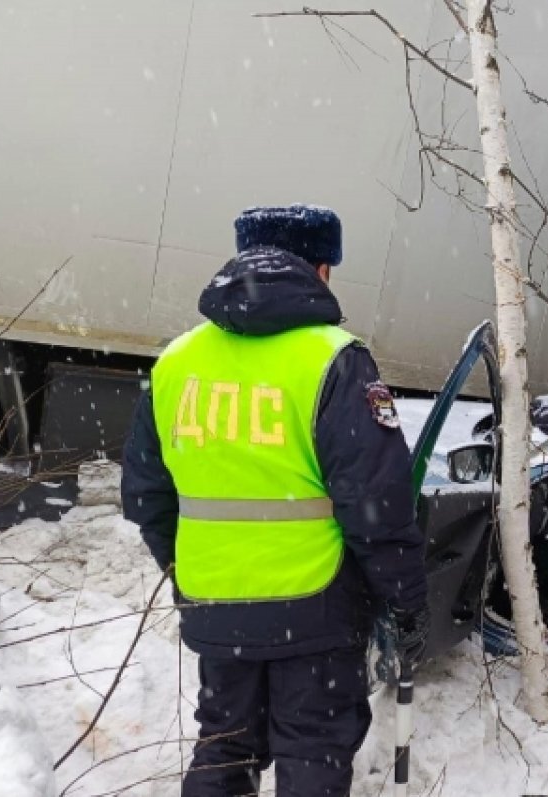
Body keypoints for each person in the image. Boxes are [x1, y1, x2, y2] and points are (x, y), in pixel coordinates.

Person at [121, 204, 429, 796]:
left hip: (216, 608)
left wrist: (188, 571)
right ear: (319, 271)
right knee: (313, 752)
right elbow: (378, 507)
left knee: (224, 749)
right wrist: (407, 604)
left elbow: (144, 496)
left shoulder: (176, 364)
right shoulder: (335, 359)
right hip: (315, 610)